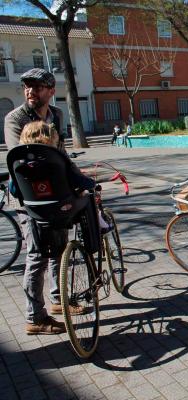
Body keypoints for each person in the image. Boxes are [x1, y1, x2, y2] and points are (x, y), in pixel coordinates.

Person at [4, 68, 68, 334]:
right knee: (37, 255)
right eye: (27, 87)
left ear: (51, 91)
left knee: (60, 249)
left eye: (37, 87)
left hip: (56, 193)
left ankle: (58, 301)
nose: (30, 91)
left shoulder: (57, 115)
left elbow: (60, 153)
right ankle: (35, 317)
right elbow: (21, 157)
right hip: (30, 197)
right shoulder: (15, 118)